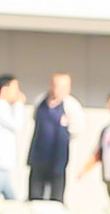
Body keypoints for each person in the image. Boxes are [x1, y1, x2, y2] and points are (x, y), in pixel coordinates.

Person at [29, 73, 78, 203]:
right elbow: (34, 118)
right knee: (35, 195)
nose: (58, 90)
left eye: (63, 87)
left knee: (56, 198)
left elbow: (77, 129)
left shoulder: (71, 106)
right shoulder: (40, 101)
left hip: (58, 158)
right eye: (56, 86)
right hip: (39, 156)